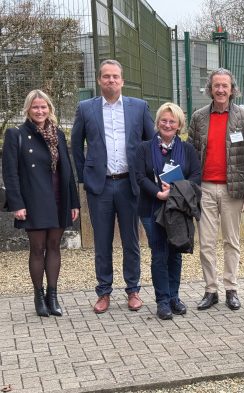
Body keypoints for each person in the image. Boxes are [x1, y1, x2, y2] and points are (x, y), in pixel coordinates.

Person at [71, 59, 155, 314]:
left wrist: (145, 177)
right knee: (102, 241)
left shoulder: (138, 107)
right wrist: (86, 176)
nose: (111, 80)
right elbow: (76, 145)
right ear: (99, 80)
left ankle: (133, 290)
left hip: (130, 185)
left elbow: (150, 143)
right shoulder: (86, 108)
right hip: (101, 187)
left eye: (115, 77)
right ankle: (104, 292)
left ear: (122, 81)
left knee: (131, 241)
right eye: (106, 76)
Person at [2, 89, 80, 317]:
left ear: (50, 109)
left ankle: (52, 296)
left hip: (59, 197)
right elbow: (10, 173)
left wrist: (74, 202)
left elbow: (68, 171)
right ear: (28, 109)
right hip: (33, 199)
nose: (40, 111)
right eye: (35, 107)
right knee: (38, 248)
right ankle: (39, 295)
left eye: (43, 107)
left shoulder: (58, 134)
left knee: (55, 246)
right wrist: (17, 203)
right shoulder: (16, 134)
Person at [188, 68, 244, 311]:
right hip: (204, 188)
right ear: (210, 89)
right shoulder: (198, 117)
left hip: (232, 189)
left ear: (232, 89)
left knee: (231, 242)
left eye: (225, 86)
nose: (221, 90)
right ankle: (210, 289)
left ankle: (231, 288)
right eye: (217, 86)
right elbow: (192, 153)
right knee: (206, 243)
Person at [135, 102, 201, 320]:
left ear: (179, 124)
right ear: (157, 122)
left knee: (175, 253)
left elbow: (195, 177)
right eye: (164, 120)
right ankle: (162, 301)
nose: (167, 124)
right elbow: (140, 177)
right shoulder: (144, 148)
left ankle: (174, 297)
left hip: (177, 209)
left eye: (172, 121)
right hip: (152, 207)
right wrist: (158, 193)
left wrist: (174, 191)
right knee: (159, 254)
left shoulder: (188, 150)